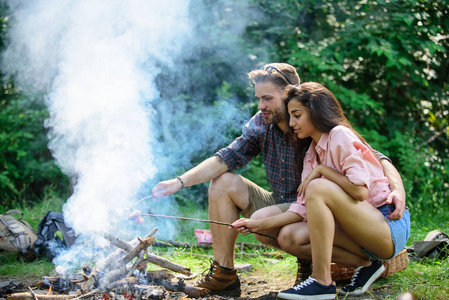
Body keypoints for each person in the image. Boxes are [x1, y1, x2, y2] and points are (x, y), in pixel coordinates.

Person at [150, 64, 407, 297]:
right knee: (223, 182)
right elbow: (225, 157)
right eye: (258, 98)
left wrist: (397, 190)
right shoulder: (266, 125)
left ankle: (320, 271)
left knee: (314, 193)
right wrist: (179, 182)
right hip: (297, 206)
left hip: (336, 208)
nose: (261, 106)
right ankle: (224, 274)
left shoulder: (315, 124)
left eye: (267, 98)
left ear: (288, 96)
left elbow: (378, 160)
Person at [231, 82, 411, 300]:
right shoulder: (311, 153)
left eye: (297, 115)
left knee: (317, 186)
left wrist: (323, 171)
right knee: (288, 237)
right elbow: (302, 209)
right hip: (359, 234)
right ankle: (368, 265)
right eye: (290, 116)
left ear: (315, 111)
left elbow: (360, 191)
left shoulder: (339, 135)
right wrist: (257, 225)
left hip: (387, 225)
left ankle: (321, 281)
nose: (292, 122)